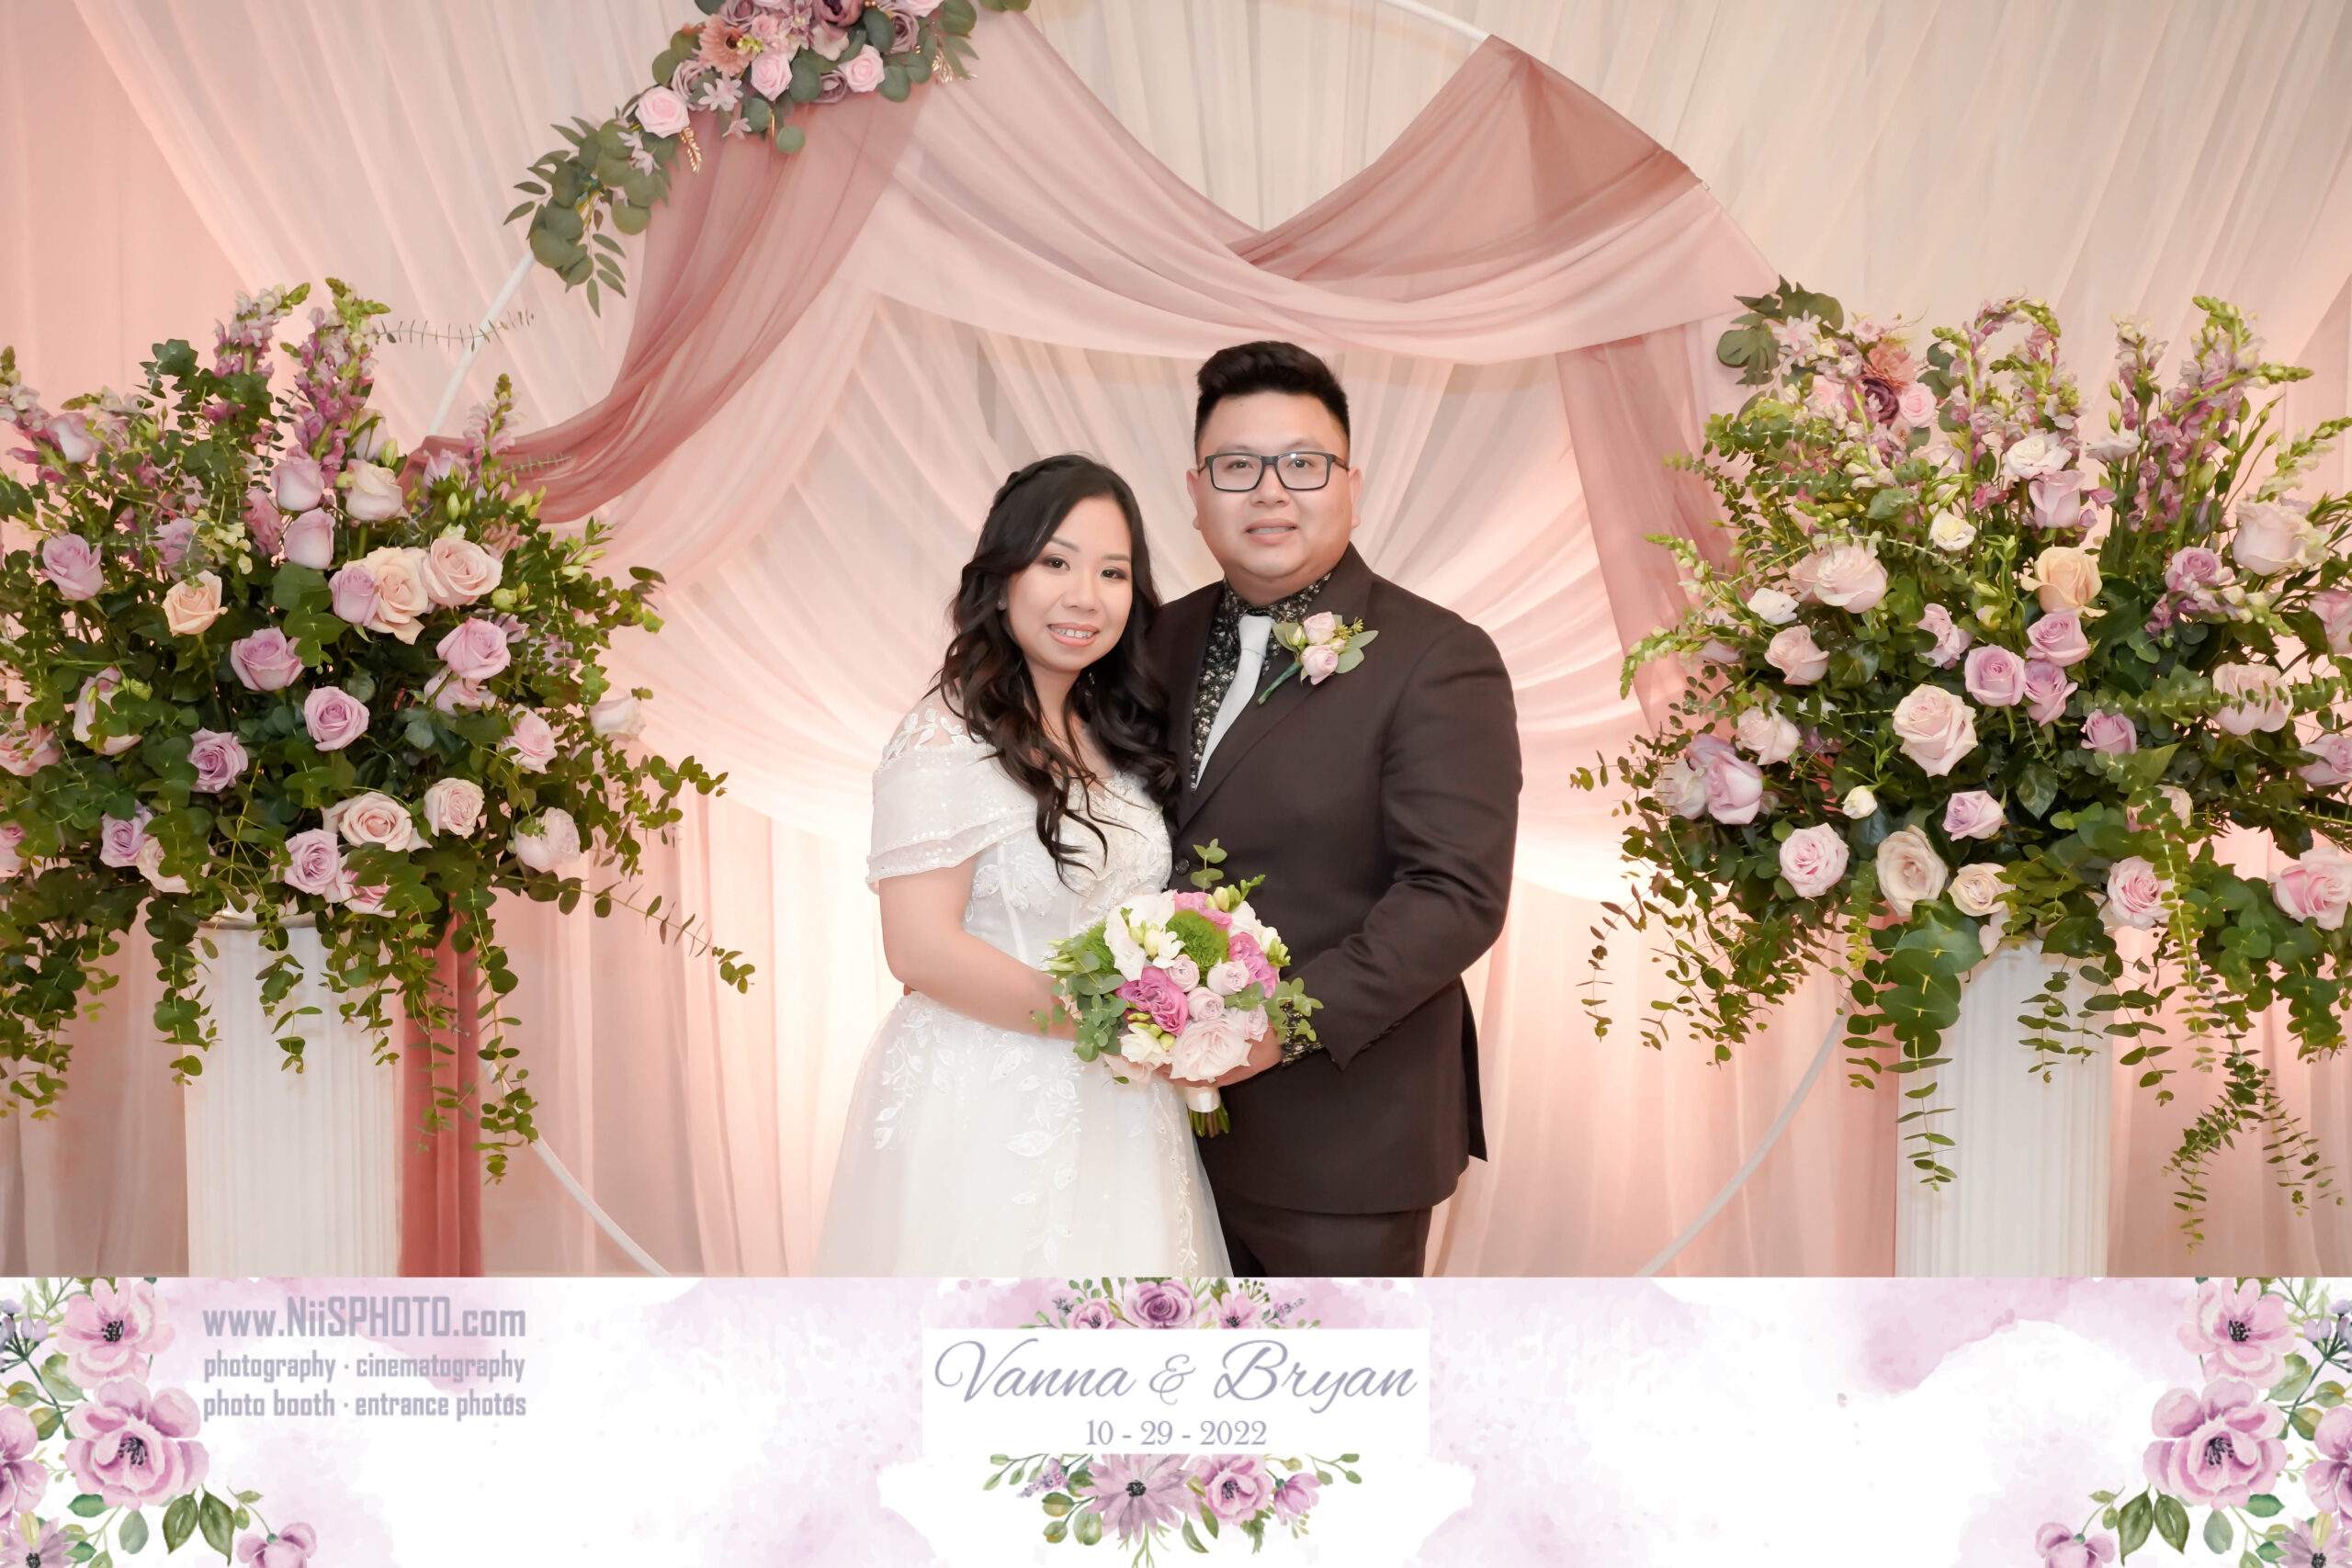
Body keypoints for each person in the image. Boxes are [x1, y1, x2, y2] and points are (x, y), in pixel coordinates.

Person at [1146, 341, 1521, 1277]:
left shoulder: (1438, 657)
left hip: (1342, 1146)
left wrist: (1274, 1029)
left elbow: (1453, 896)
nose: (1270, 492)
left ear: (1352, 486)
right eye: (1237, 467)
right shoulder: (1148, 640)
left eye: (1303, 464)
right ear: (1196, 492)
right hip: (1142, 1140)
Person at [815, 455, 1231, 1276]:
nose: (1085, 596)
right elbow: (920, 948)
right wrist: (1112, 1020)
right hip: (986, 1100)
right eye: (1055, 562)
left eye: (1113, 572)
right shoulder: (944, 736)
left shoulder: (1108, 731)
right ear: (1002, 579)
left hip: (1122, 1104)